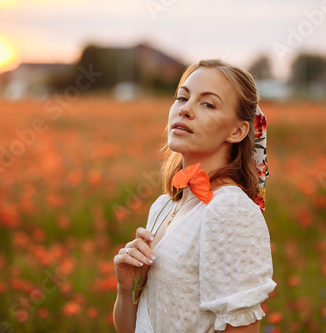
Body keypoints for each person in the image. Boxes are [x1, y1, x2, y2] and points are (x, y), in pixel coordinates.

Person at [113, 59, 276, 333]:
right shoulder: (165, 205)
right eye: (182, 97)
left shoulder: (230, 209)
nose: (185, 109)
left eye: (208, 104)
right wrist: (125, 287)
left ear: (237, 131)